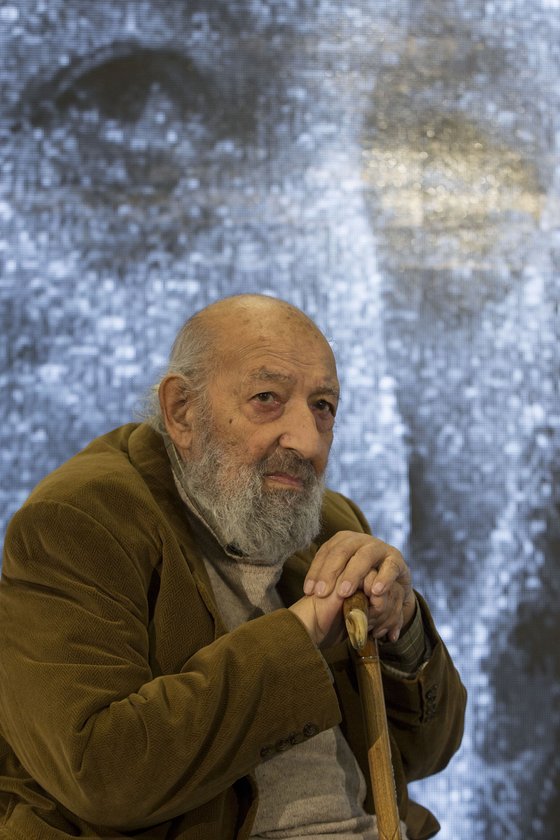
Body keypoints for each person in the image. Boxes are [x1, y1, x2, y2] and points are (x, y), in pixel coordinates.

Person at [0, 294, 466, 840]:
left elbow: (426, 755)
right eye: (267, 398)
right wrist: (302, 632)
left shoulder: (330, 521)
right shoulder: (78, 521)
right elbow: (103, 773)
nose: (308, 440)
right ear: (182, 410)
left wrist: (403, 630)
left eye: (323, 406)